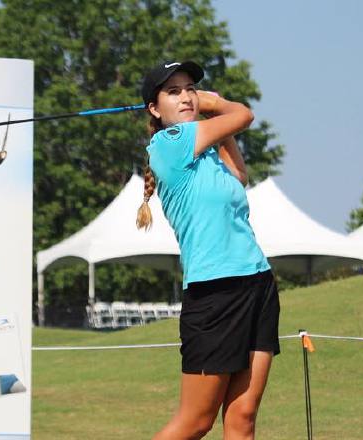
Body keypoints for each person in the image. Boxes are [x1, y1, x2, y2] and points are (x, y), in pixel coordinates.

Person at [137, 61, 281, 440]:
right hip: (213, 294)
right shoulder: (169, 144)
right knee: (196, 422)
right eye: (174, 91)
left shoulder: (207, 150)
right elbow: (244, 115)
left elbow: (239, 177)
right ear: (154, 109)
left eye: (190, 89)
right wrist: (215, 103)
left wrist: (213, 114)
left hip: (257, 283)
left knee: (243, 416)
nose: (186, 96)